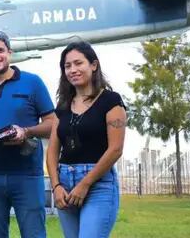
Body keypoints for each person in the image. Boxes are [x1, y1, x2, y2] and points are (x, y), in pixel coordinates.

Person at [0, 30, 56, 238]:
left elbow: (52, 123)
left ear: (10, 53)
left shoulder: (33, 82)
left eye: (0, 50)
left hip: (27, 174)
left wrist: (26, 131)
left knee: (34, 234)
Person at [46, 41, 126, 238]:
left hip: (98, 183)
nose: (73, 69)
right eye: (67, 66)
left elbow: (115, 149)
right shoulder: (63, 106)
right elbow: (53, 150)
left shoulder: (111, 101)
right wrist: (56, 186)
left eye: (78, 63)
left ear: (94, 65)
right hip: (64, 183)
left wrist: (85, 184)